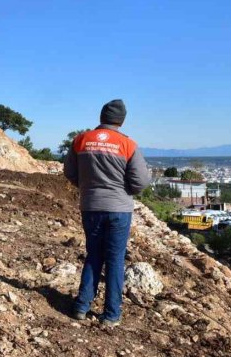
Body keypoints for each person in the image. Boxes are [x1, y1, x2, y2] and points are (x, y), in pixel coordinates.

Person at [63, 99, 150, 327]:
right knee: (114, 259)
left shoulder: (81, 140)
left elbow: (70, 172)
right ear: (121, 120)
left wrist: (88, 187)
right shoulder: (127, 144)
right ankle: (111, 314)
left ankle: (82, 306)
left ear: (101, 116)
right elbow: (140, 182)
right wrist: (125, 191)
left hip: (90, 206)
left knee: (93, 254)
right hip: (119, 209)